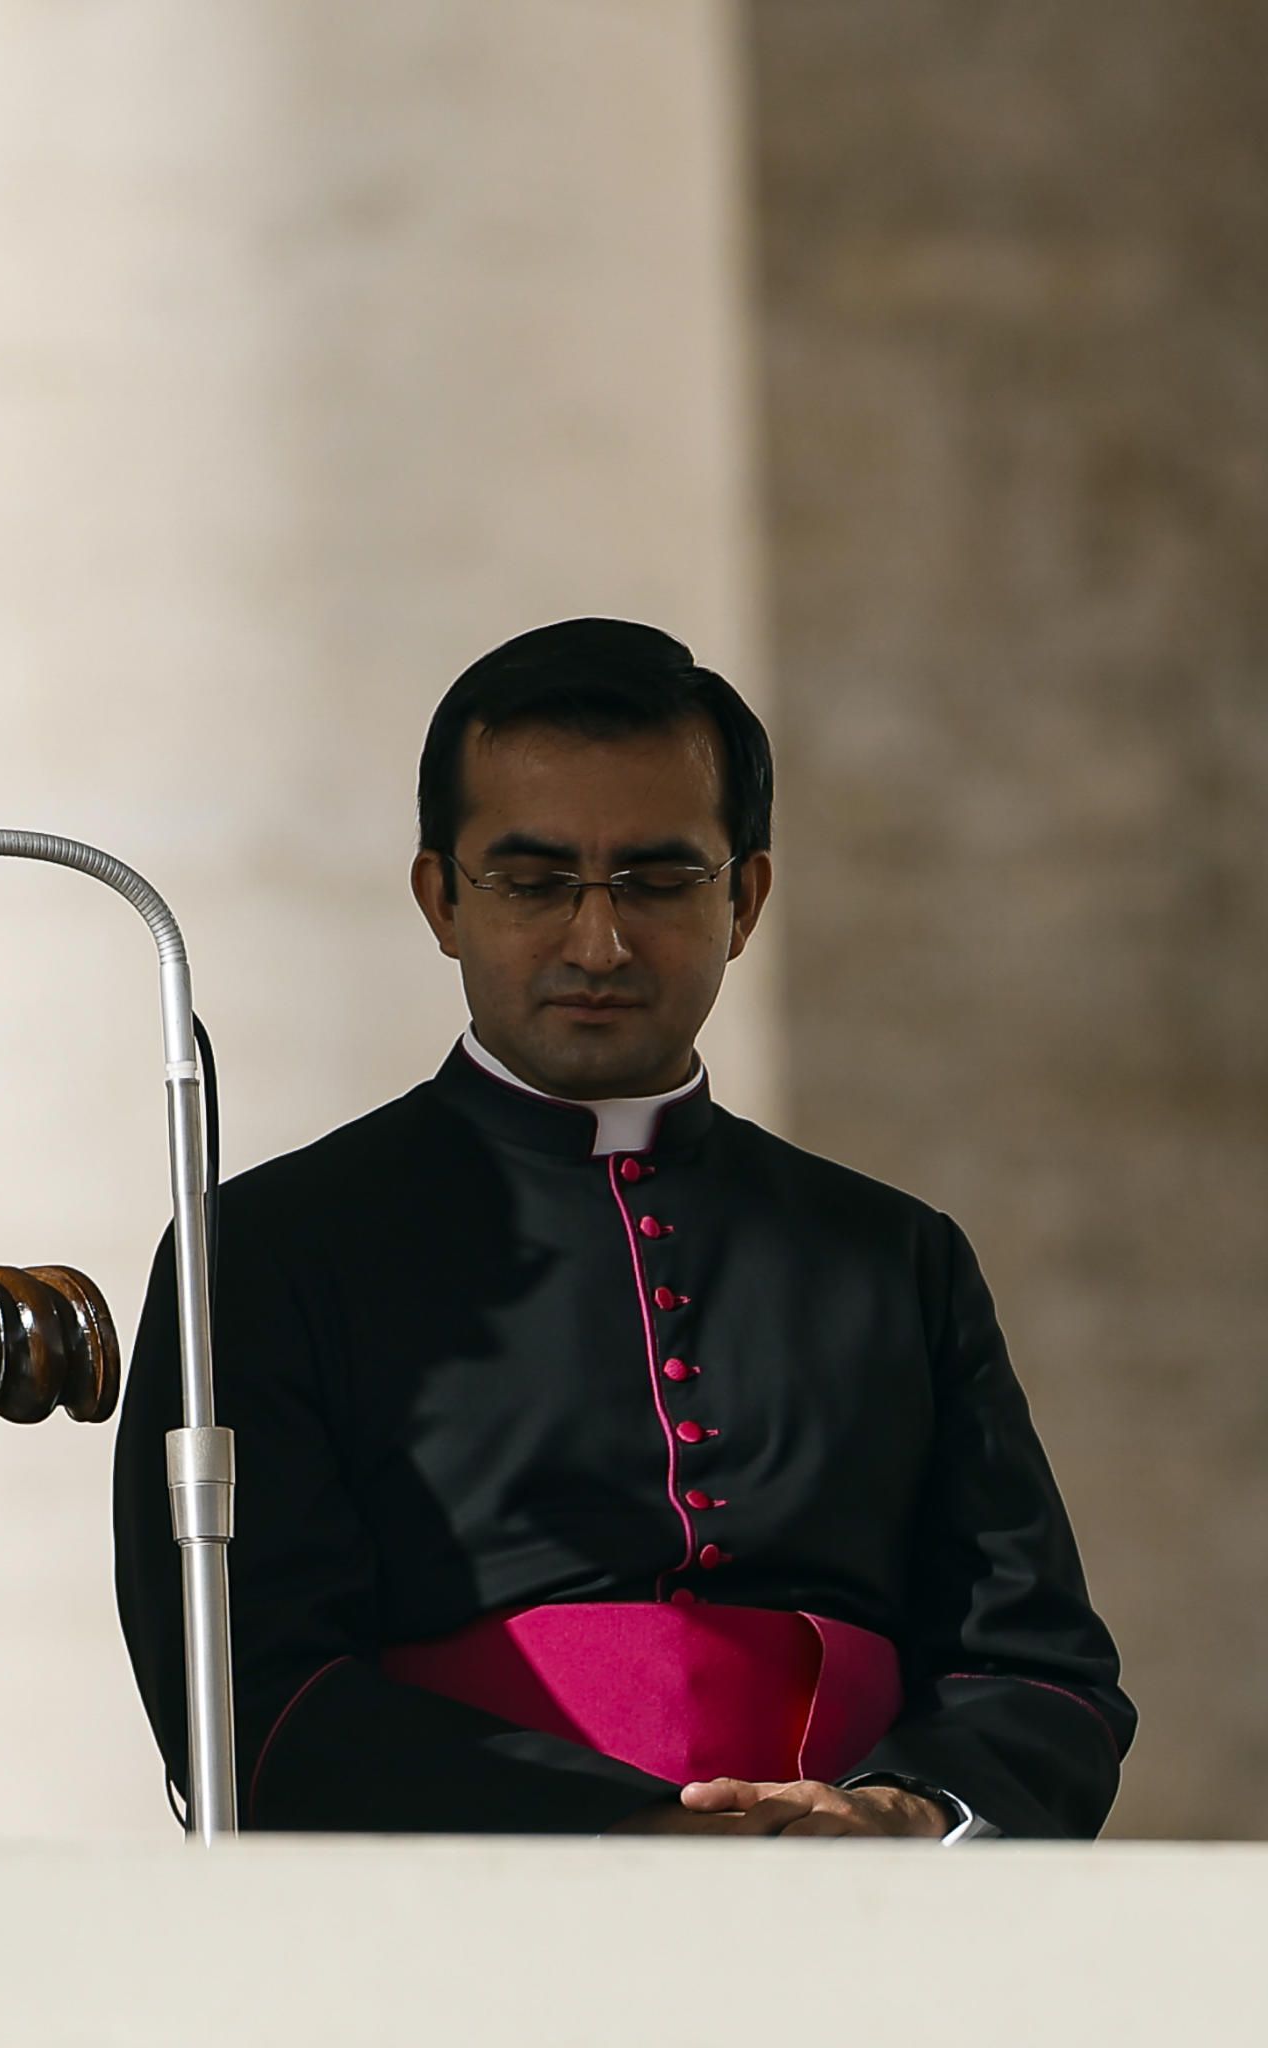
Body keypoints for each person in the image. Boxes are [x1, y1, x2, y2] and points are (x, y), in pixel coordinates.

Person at [112, 618, 1130, 1838]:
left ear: (745, 896)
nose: (598, 941)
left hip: (871, 1916)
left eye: (657, 880)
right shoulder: (265, 1251)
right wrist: (616, 1831)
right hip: (458, 1924)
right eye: (533, 881)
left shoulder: (895, 1258)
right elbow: (253, 1695)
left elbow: (1040, 1668)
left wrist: (904, 1814)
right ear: (440, 896)